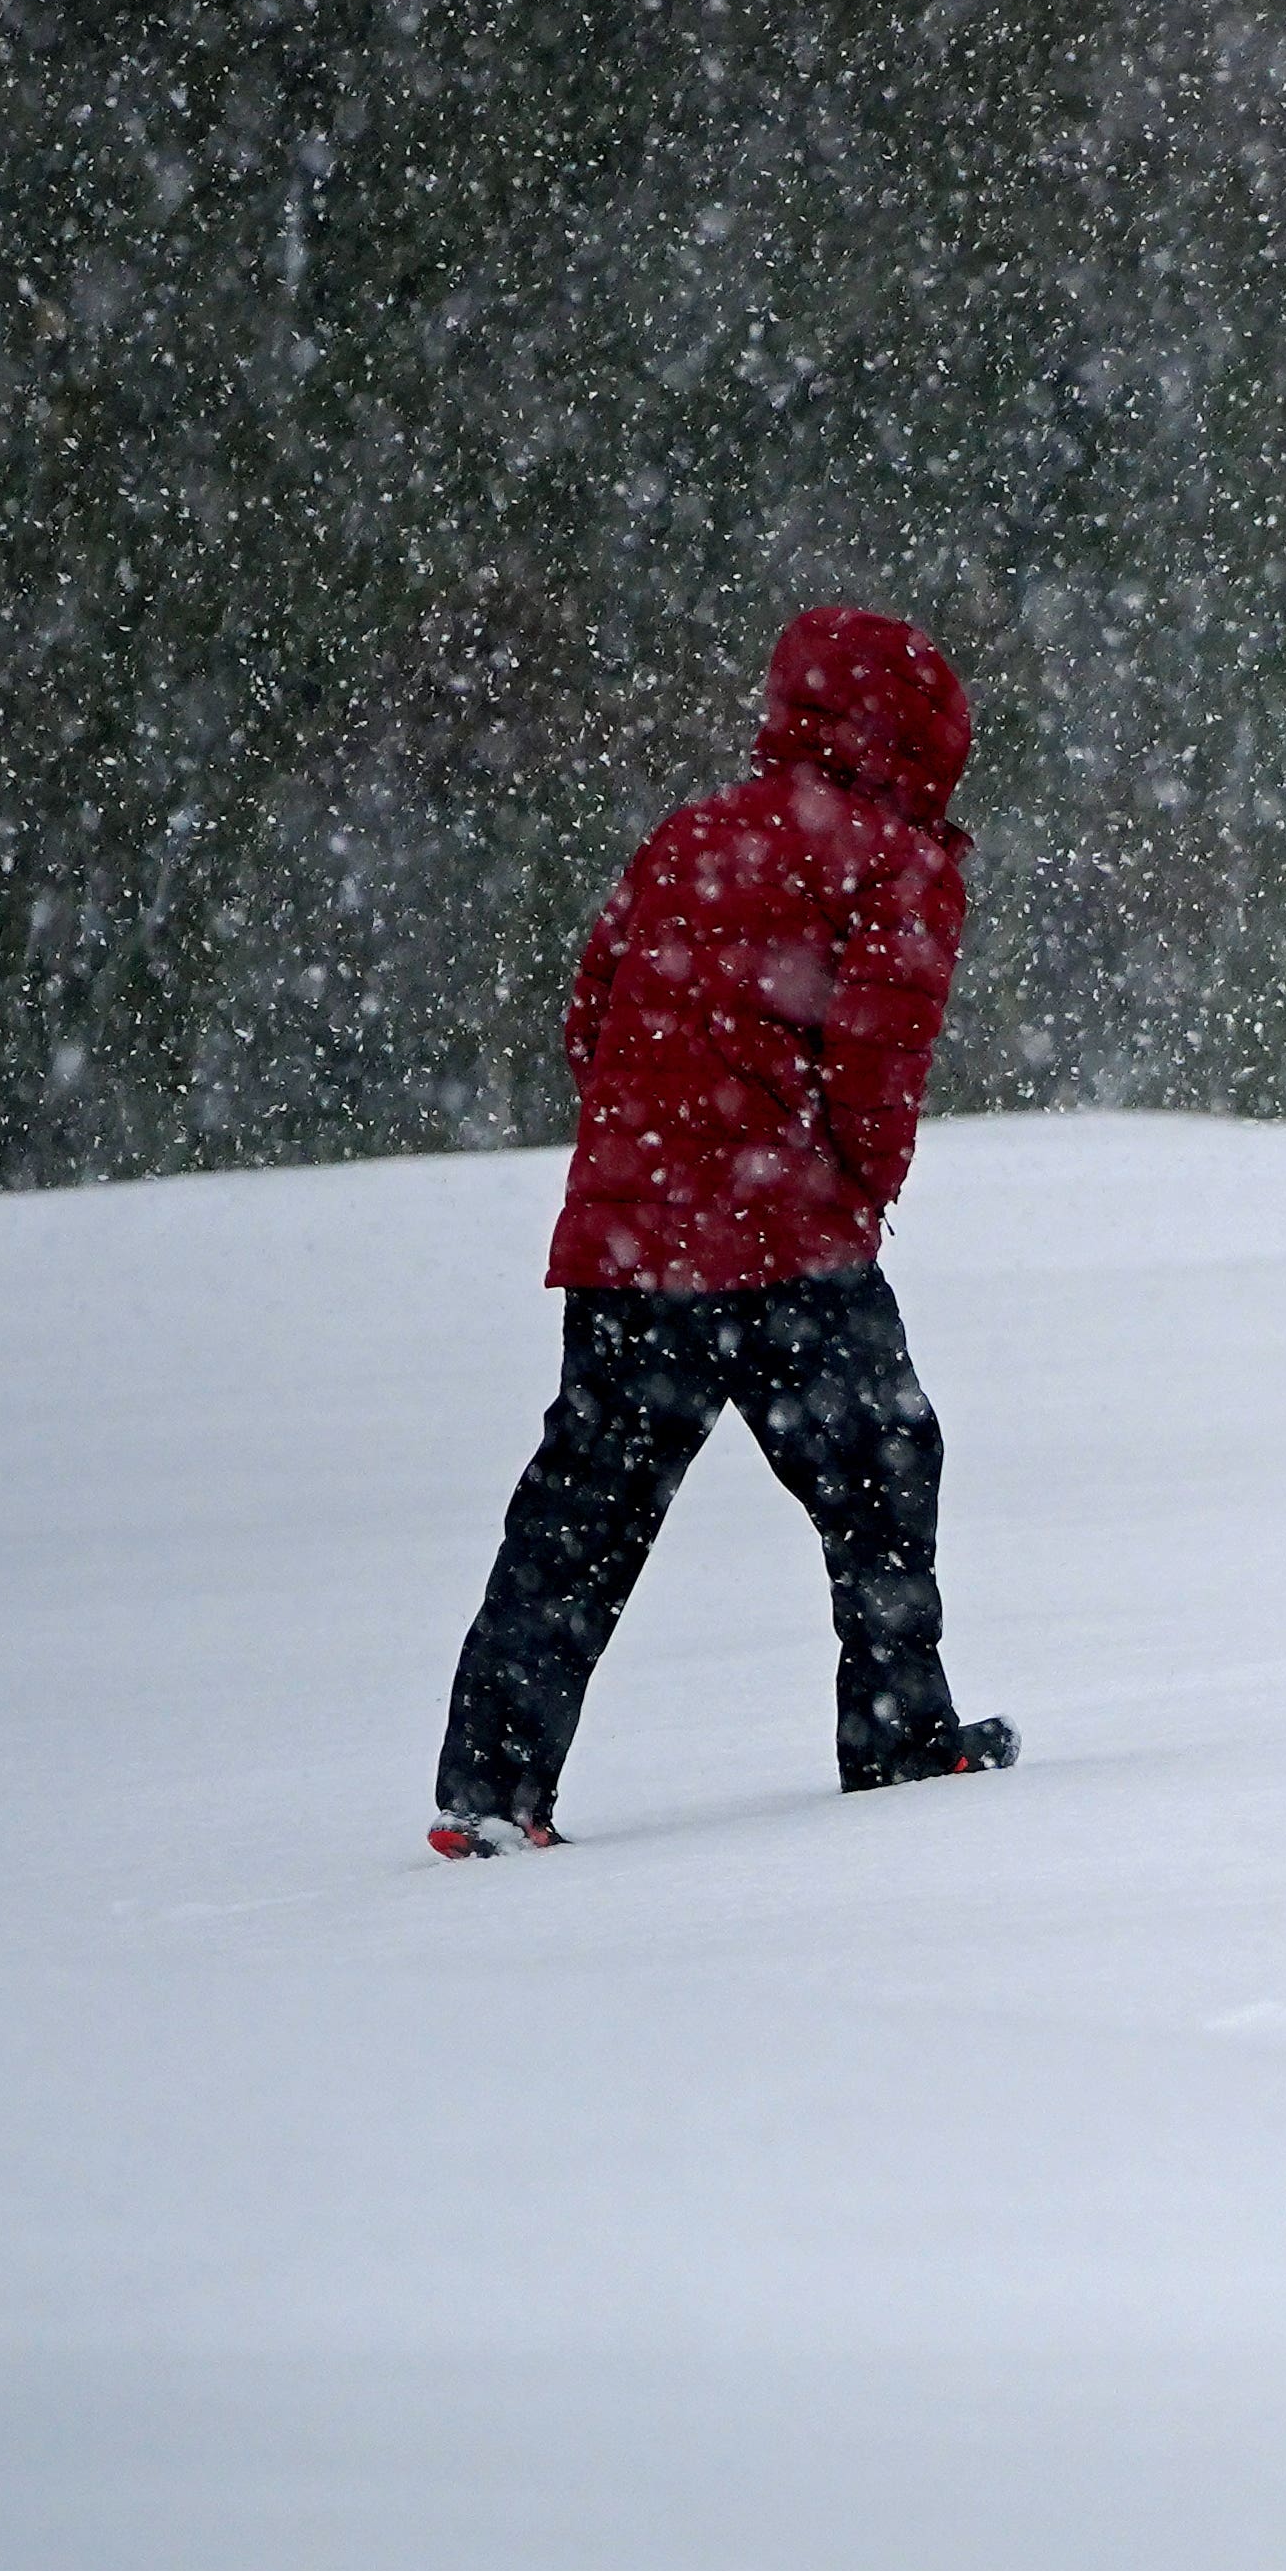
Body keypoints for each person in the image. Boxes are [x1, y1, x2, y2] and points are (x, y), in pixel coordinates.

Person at [429, 605, 1017, 1857]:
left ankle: (494, 1787)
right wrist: (849, 1188)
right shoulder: (896, 857)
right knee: (881, 1472)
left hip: (636, 1245)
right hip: (788, 1241)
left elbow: (591, 1015)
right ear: (917, 738)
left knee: (582, 1511)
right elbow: (875, 1061)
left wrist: (656, 1167)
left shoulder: (690, 836)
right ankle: (900, 1732)